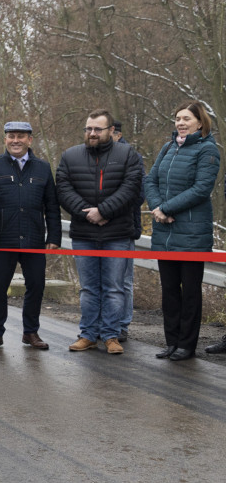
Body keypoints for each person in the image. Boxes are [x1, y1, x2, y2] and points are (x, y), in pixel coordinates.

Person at [56, 109, 144, 355]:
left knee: (115, 288)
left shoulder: (128, 155)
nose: (92, 133)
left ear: (111, 131)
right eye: (88, 129)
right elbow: (63, 189)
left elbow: (132, 189)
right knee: (88, 288)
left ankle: (111, 335)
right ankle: (88, 335)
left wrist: (104, 211)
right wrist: (88, 214)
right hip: (84, 234)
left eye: (97, 129)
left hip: (117, 234)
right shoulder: (70, 156)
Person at [145, 101, 220, 361]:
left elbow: (201, 189)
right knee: (169, 291)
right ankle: (171, 342)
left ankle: (187, 345)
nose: (180, 123)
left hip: (192, 234)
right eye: (178, 118)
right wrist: (156, 207)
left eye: (186, 118)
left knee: (189, 292)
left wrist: (166, 208)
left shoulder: (207, 150)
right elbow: (150, 179)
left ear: (200, 123)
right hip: (164, 233)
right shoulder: (168, 148)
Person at [0, 122, 62, 352]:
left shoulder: (43, 168)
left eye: (21, 136)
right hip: (2, 238)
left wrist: (54, 236)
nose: (16, 140)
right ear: (5, 139)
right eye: (11, 136)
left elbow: (52, 206)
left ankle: (31, 332)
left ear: (30, 140)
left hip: (34, 238)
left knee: (36, 285)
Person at [111, 120, 145, 341]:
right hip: (97, 231)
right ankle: (105, 324)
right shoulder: (90, 155)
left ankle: (122, 325)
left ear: (116, 134)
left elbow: (139, 194)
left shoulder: (132, 156)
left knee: (123, 281)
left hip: (124, 227)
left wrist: (108, 209)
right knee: (102, 283)